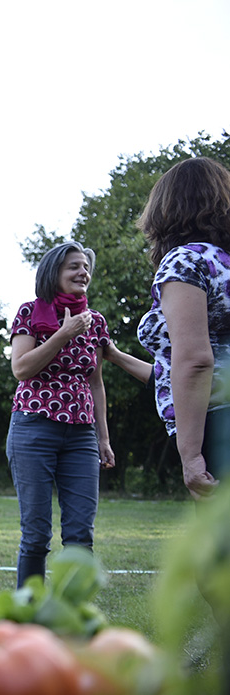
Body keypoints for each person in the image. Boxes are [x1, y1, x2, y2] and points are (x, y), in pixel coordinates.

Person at [6, 241, 114, 588]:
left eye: (85, 267)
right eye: (74, 267)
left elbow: (95, 382)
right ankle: (28, 618)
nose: (83, 273)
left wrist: (103, 438)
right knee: (36, 535)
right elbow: (21, 369)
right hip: (33, 429)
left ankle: (72, 617)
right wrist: (62, 334)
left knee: (81, 536)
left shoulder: (95, 322)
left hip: (81, 435)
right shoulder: (30, 313)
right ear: (54, 273)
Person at [137, 156, 230, 499]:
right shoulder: (223, 263)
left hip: (217, 424)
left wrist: (191, 455)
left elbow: (194, 360)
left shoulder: (185, 261)